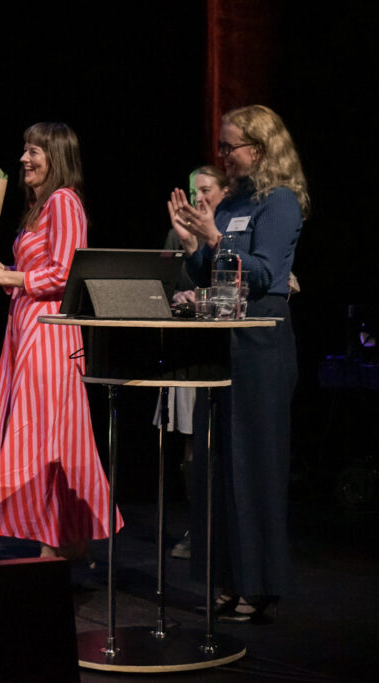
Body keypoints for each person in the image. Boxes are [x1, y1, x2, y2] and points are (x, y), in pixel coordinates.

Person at [168, 104, 308, 622]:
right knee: (215, 468)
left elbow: (267, 274)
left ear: (261, 148)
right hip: (220, 345)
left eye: (231, 146)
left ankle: (260, 584)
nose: (223, 154)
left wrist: (213, 238)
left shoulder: (280, 202)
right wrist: (193, 245)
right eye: (221, 146)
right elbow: (213, 273)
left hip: (260, 347)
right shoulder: (232, 202)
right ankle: (225, 579)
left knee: (255, 468)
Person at [0, 122, 118, 561]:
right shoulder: (38, 208)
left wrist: (7, 277)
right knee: (37, 435)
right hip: (26, 329)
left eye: (34, 151)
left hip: (50, 334)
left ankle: (52, 549)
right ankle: (71, 540)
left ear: (57, 156)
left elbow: (67, 273)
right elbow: (35, 274)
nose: (24, 159)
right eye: (25, 149)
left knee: (45, 438)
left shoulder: (64, 201)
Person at [159, 165, 229, 560]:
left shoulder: (232, 229)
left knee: (222, 441)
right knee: (192, 441)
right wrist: (176, 297)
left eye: (205, 190)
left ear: (223, 193)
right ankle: (196, 526)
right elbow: (162, 286)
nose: (198, 198)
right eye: (192, 191)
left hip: (227, 351)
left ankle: (224, 526)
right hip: (189, 349)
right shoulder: (177, 233)